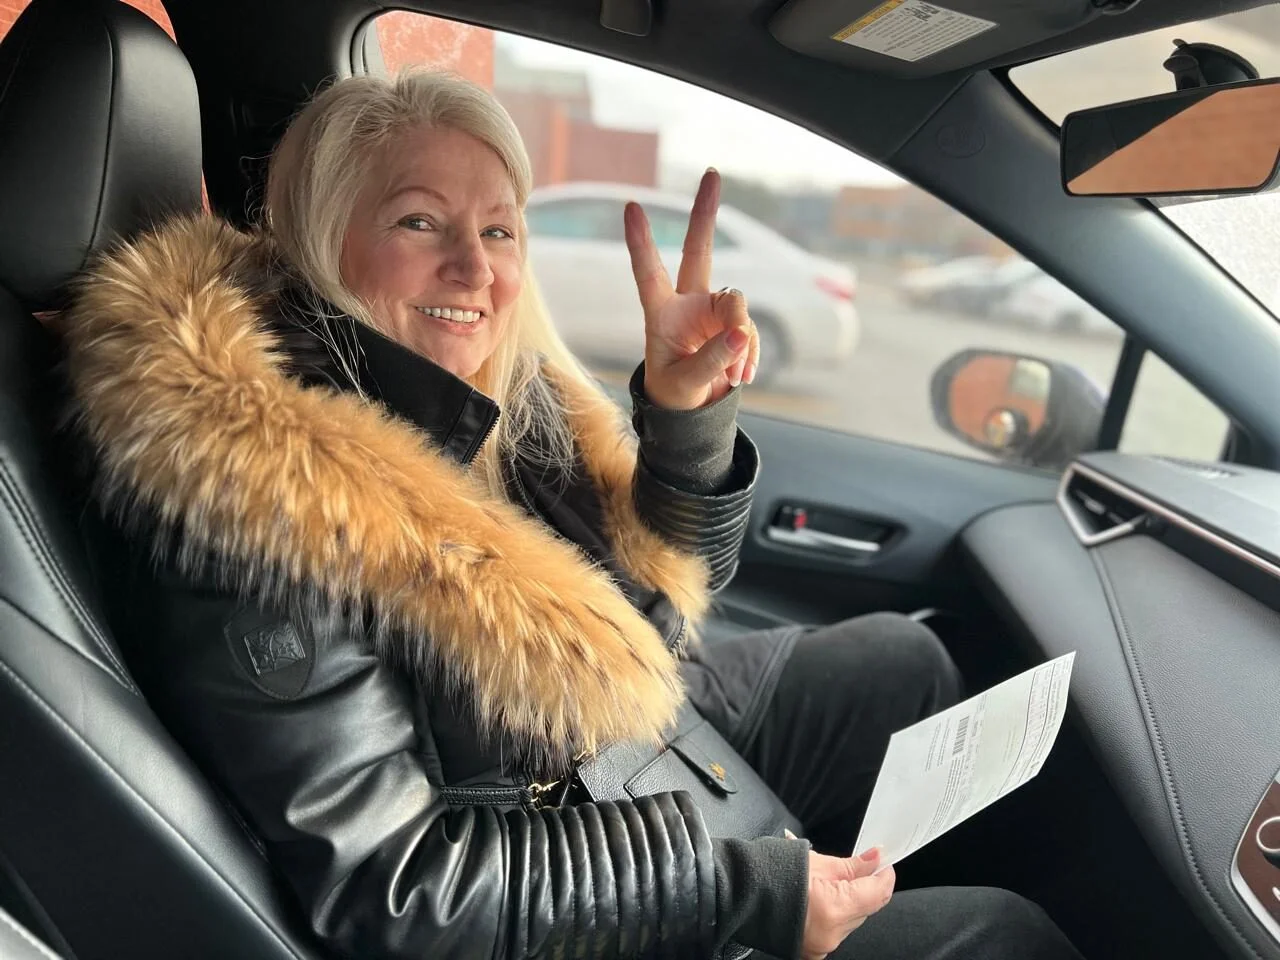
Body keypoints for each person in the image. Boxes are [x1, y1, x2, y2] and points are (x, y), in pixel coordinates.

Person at [60, 70, 1084, 960]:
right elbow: (396, 888)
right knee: (999, 936)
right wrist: (745, 888)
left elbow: (658, 603)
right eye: (420, 221)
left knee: (911, 666)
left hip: (606, 753)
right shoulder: (261, 496)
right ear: (323, 242)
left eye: (497, 228)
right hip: (545, 857)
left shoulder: (475, 389)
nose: (476, 268)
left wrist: (682, 421)